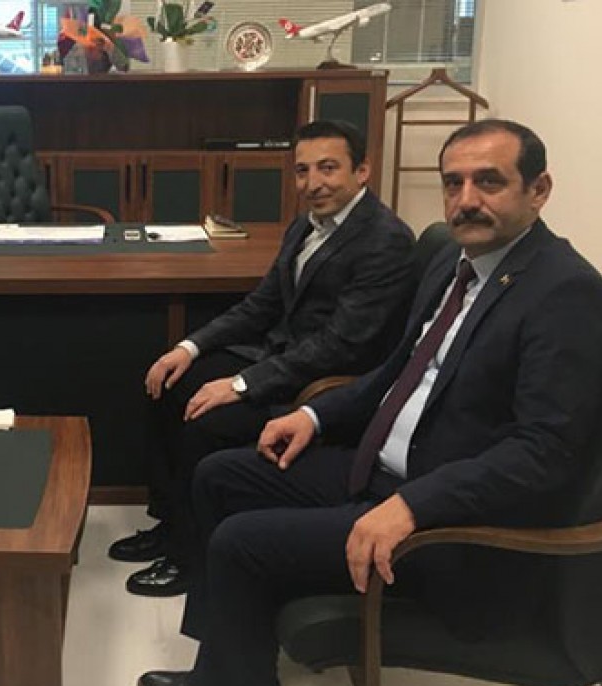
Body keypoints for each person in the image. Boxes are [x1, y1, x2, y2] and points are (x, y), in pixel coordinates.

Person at [137, 119, 602, 686]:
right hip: (383, 467)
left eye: (489, 182)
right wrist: (314, 417)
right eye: (453, 183)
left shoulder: (564, 293)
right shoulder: (457, 262)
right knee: (219, 475)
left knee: (240, 542)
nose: (466, 199)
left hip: (444, 522)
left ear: (539, 190)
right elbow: (397, 370)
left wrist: (414, 504)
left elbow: (544, 452)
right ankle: (222, 673)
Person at [112, 120, 419, 598]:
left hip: (324, 385)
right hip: (283, 359)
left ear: (362, 170)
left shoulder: (385, 240)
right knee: (167, 383)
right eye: (302, 171)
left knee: (204, 421)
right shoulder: (306, 224)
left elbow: (340, 346)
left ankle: (191, 557)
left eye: (328, 168)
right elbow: (262, 304)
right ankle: (170, 524)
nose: (313, 183)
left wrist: (242, 384)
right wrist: (189, 347)